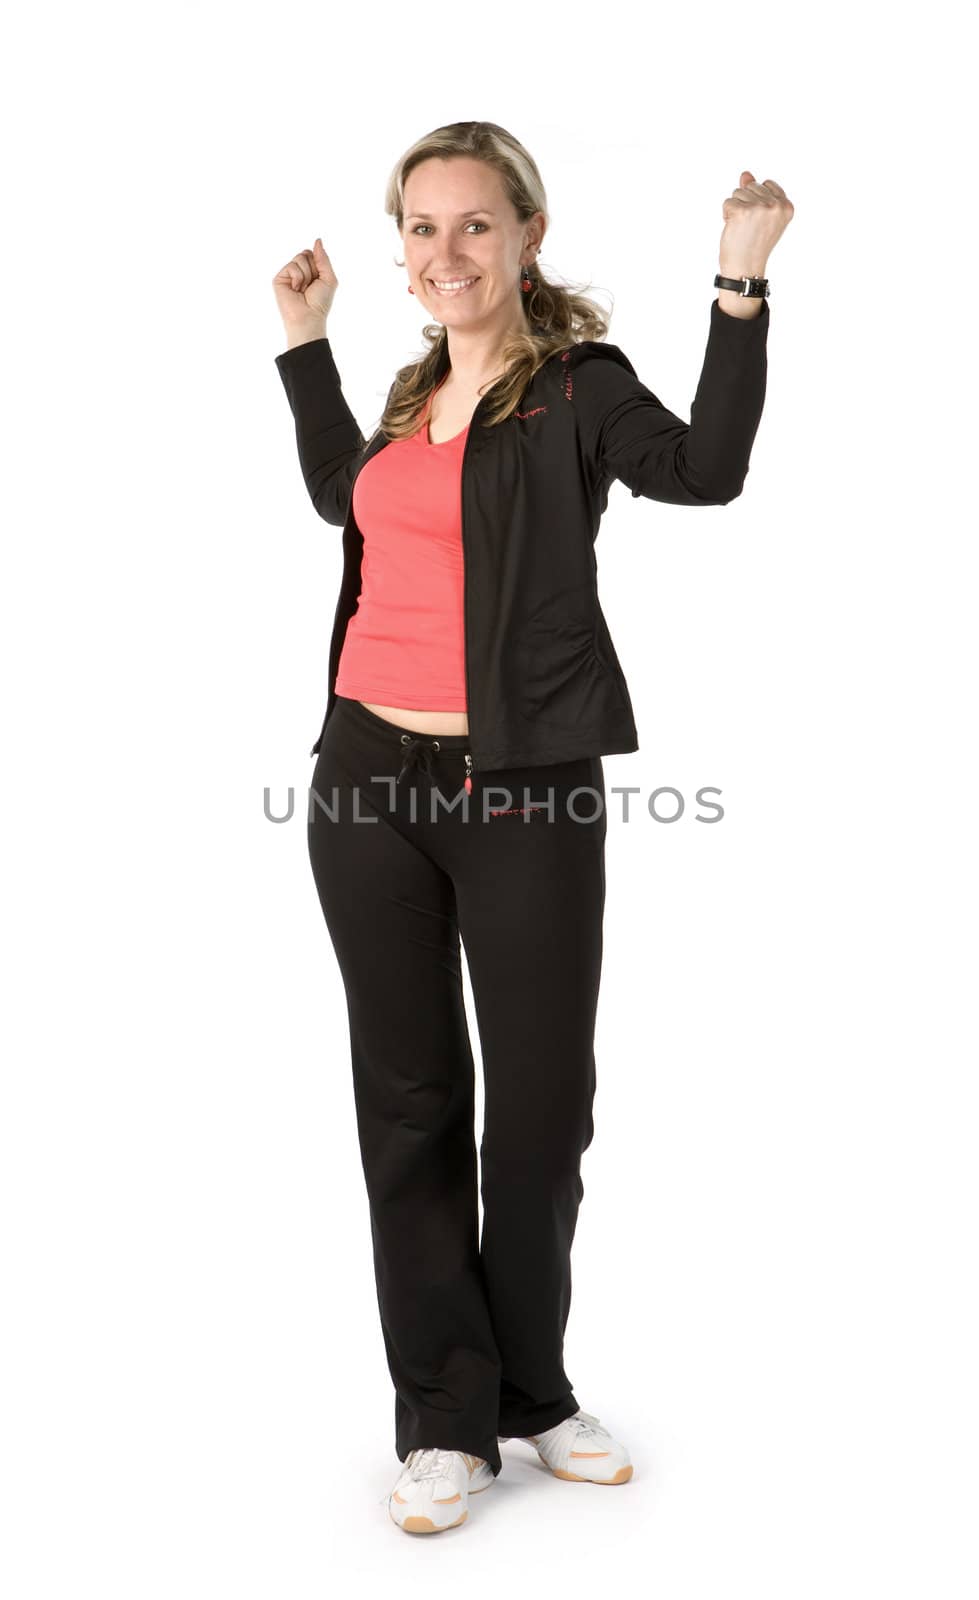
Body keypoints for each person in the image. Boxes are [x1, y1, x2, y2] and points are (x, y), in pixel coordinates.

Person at [271, 119, 792, 1536]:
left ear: (527, 236)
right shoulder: (403, 395)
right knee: (411, 1104)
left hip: (526, 787)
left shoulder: (574, 392)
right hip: (365, 786)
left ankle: (533, 1390)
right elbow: (346, 504)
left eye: (475, 226)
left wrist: (737, 284)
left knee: (542, 1110)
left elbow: (707, 468)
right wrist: (305, 344)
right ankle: (445, 1414)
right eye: (423, 229)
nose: (446, 254)